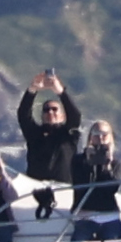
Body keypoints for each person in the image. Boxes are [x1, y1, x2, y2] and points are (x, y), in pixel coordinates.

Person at [17, 71, 83, 220]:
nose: (50, 112)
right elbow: (23, 115)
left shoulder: (68, 135)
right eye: (46, 110)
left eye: (54, 109)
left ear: (62, 115)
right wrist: (32, 90)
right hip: (35, 189)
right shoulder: (34, 134)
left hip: (63, 189)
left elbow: (75, 116)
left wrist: (60, 91)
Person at [70, 121, 121, 242]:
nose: (100, 138)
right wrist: (88, 162)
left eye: (104, 134)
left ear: (110, 137)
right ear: (90, 137)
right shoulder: (78, 160)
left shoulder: (116, 163)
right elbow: (79, 185)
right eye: (96, 134)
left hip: (109, 215)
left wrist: (107, 165)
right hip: (85, 215)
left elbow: (112, 189)